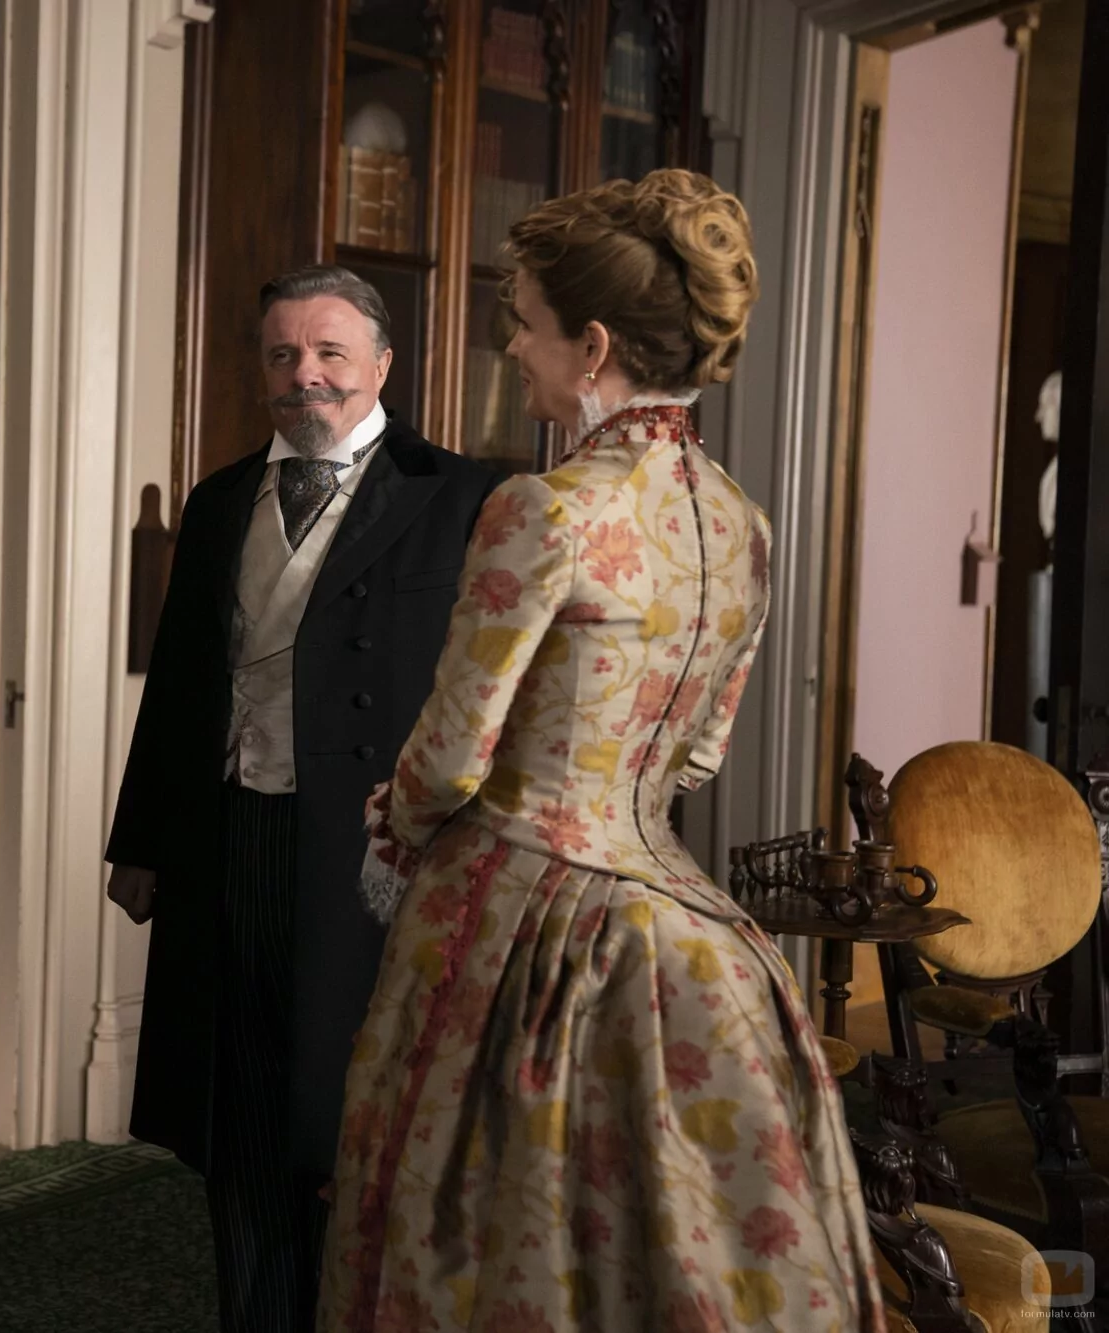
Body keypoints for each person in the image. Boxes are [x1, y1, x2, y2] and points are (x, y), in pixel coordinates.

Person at [319, 170, 885, 1331]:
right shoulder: (739, 523)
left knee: (480, 1228)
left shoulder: (545, 508)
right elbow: (698, 755)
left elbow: (451, 758)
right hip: (691, 928)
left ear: (590, 349)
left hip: (520, 913)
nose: (511, 348)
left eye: (524, 324)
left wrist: (395, 823)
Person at [106, 265, 500, 1332]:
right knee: (235, 1109)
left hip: (373, 853)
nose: (305, 375)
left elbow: (485, 696)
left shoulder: (460, 497)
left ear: (381, 363)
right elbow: (178, 684)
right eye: (282, 354)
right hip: (230, 829)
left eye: (329, 352)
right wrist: (141, 840)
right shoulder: (216, 499)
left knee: (347, 1117)